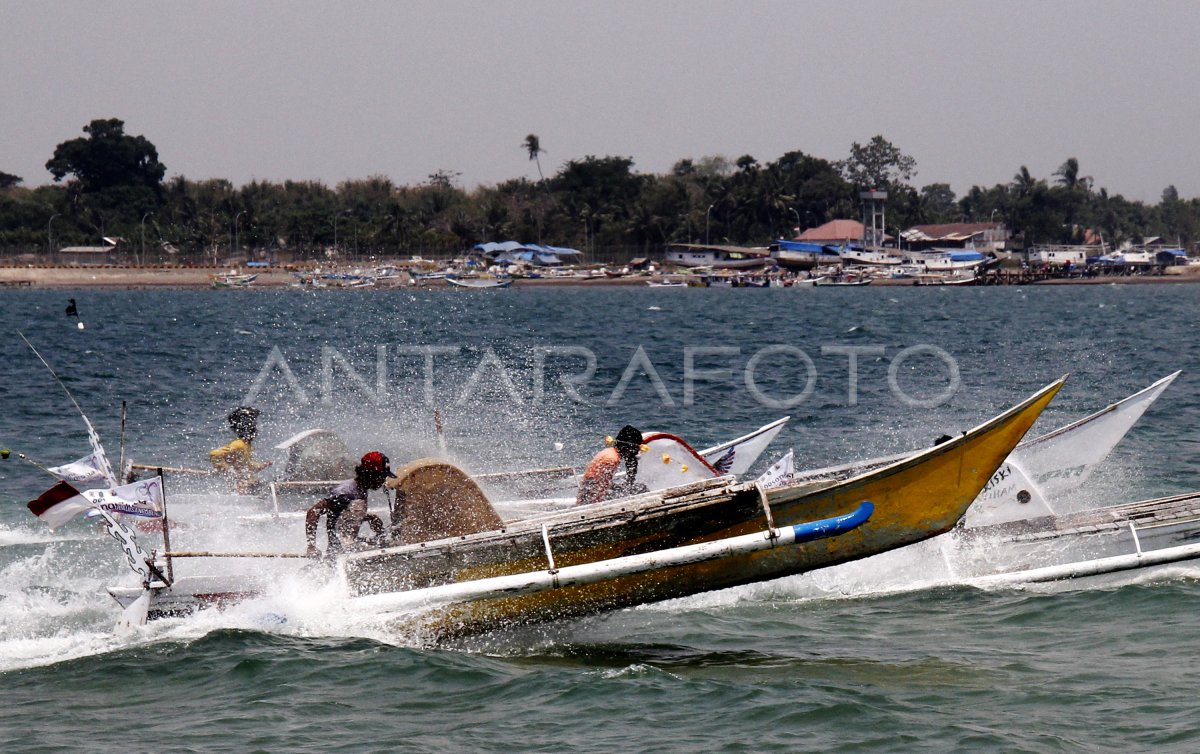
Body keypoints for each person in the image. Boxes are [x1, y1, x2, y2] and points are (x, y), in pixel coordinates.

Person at [305, 451, 391, 558]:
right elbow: (313, 512)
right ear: (371, 474)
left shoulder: (360, 490)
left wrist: (370, 517)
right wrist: (311, 546)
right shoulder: (346, 493)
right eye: (382, 476)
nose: (383, 481)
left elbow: (344, 517)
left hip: (350, 547)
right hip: (340, 554)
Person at [208, 406, 271, 494]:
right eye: (255, 425)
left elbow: (247, 465)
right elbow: (213, 454)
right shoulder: (238, 444)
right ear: (249, 427)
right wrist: (228, 470)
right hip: (241, 489)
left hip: (248, 486)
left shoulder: (247, 445)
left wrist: (262, 465)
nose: (257, 428)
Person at [577, 425, 644, 505]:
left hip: (590, 497)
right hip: (591, 502)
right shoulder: (612, 459)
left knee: (636, 488)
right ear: (630, 446)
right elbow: (593, 485)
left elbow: (602, 483)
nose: (638, 451)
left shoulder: (610, 452)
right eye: (637, 447)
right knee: (641, 489)